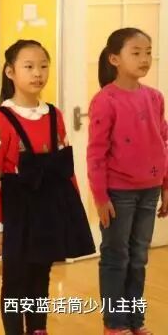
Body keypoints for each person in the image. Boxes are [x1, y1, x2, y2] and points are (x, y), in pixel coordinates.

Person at [0, 39, 94, 335]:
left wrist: (72, 215)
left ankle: (38, 329)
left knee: (41, 275)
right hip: (16, 212)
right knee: (15, 280)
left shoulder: (54, 115)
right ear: (10, 72)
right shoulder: (2, 119)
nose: (38, 73)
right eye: (29, 66)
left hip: (47, 209)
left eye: (43, 66)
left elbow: (65, 169)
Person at [87, 28, 168, 335]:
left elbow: (163, 142)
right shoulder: (105, 100)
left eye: (148, 52)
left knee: (139, 257)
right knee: (116, 257)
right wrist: (100, 197)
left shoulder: (155, 97)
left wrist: (166, 185)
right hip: (118, 193)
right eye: (136, 53)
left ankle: (135, 320)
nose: (144, 58)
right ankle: (115, 323)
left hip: (150, 190)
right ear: (114, 59)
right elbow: (96, 153)